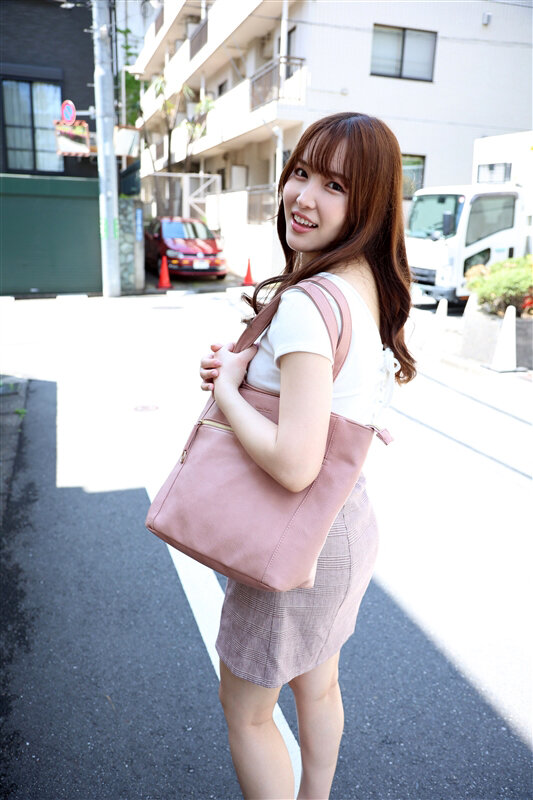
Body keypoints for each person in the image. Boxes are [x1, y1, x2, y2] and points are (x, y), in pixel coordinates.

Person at [199, 112, 416, 800]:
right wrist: (247, 372)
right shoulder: (364, 285)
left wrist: (228, 392)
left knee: (247, 713)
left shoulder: (305, 303)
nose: (303, 196)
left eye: (334, 185)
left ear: (369, 203)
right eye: (300, 173)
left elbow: (295, 464)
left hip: (293, 542)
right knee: (318, 685)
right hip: (343, 529)